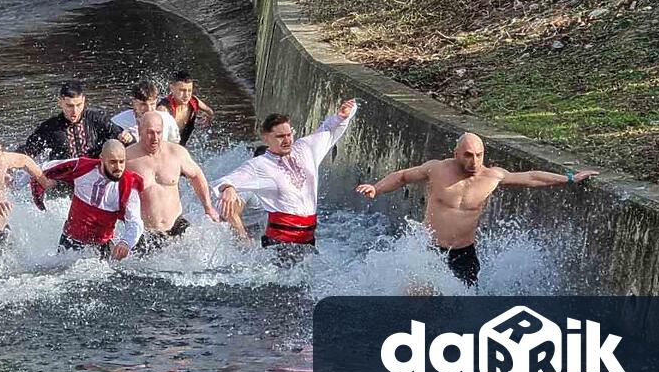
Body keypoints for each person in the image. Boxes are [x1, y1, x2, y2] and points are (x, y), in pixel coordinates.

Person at [356, 132, 599, 286]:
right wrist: (376, 188)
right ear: (456, 154)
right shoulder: (437, 169)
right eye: (468, 155)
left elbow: (532, 177)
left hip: (464, 253)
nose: (474, 162)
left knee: (463, 307)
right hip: (429, 248)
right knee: (419, 296)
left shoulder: (492, 176)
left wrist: (569, 177)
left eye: (479, 155)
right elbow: (402, 176)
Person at [216, 99, 357, 263]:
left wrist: (341, 116)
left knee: (310, 282)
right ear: (266, 138)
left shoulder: (305, 149)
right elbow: (227, 180)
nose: (287, 140)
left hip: (307, 239)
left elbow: (328, 131)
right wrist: (228, 188)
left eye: (289, 134)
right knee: (288, 285)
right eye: (280, 136)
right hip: (280, 242)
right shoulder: (260, 165)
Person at [32, 140, 144, 261]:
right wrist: (17, 182)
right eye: (112, 162)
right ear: (101, 158)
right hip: (70, 241)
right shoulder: (82, 167)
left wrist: (126, 243)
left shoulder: (128, 185)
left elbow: (135, 221)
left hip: (101, 247)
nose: (118, 168)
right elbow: (44, 167)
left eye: (121, 162)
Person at [125, 112, 219, 254]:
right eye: (150, 133)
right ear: (139, 130)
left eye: (158, 133)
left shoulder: (176, 153)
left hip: (176, 224)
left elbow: (196, 176)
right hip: (146, 232)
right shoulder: (127, 158)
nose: (155, 138)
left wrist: (208, 207)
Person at [21, 80, 131, 161]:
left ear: (84, 100)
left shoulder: (97, 119)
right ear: (60, 102)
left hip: (94, 173)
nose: (75, 111)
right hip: (64, 179)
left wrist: (126, 137)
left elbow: (120, 135)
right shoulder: (49, 128)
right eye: (69, 106)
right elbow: (28, 150)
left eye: (79, 105)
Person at [222, 145, 270, 242]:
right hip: (225, 231)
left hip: (253, 227)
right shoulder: (247, 186)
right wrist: (245, 242)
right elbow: (231, 214)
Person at [111, 79, 181, 144]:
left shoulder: (167, 120)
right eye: (143, 104)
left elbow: (175, 146)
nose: (149, 109)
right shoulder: (118, 122)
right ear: (134, 103)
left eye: (152, 104)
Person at [158, 71, 215, 147]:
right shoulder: (163, 110)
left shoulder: (193, 101)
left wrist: (209, 118)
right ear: (172, 88)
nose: (186, 95)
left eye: (189, 90)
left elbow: (209, 111)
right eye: (182, 90)